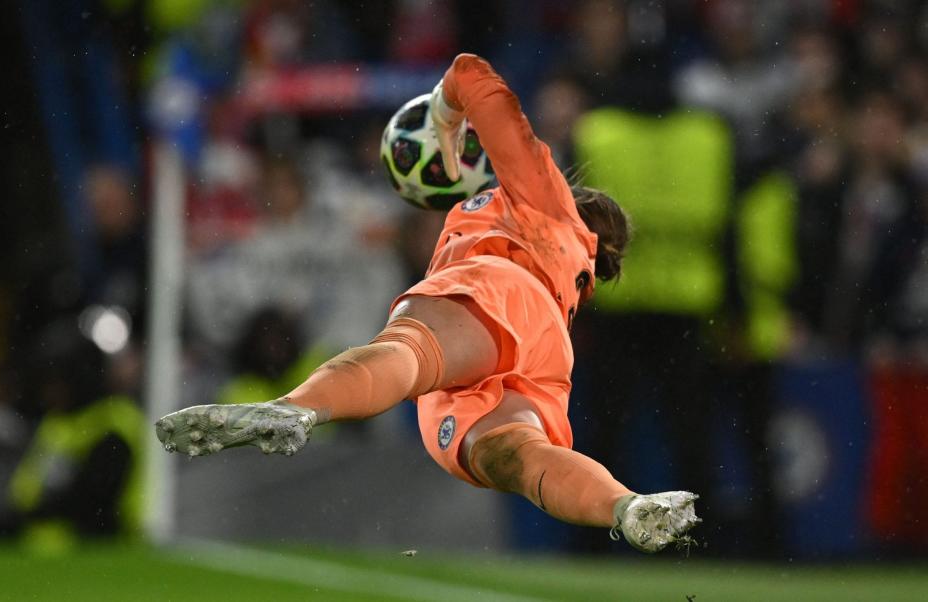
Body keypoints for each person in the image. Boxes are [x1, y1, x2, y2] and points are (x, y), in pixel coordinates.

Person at [156, 54, 700, 553]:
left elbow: (471, 73)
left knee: (409, 348)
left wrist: (441, 118)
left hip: (498, 291)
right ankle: (626, 506)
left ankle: (296, 408)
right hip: (543, 354)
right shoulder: (575, 273)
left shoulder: (544, 196)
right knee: (525, 458)